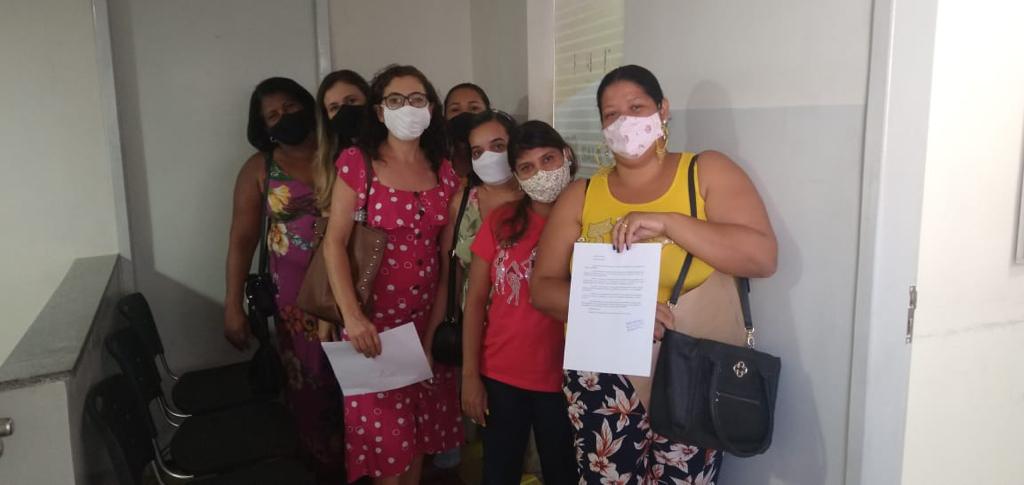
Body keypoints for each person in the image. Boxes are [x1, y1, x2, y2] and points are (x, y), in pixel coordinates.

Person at [531, 65, 778, 483]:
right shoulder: (582, 195)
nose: (624, 122)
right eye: (611, 115)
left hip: (691, 369)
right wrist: (626, 312)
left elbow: (762, 257)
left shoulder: (704, 172)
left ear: (662, 110)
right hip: (604, 377)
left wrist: (668, 222)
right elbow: (542, 289)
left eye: (636, 107)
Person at [322, 64, 464, 484]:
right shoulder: (357, 163)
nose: (408, 108)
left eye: (417, 99)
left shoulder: (444, 171)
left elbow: (447, 260)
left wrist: (433, 332)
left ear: (431, 108)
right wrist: (352, 316)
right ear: (380, 112)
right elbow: (333, 244)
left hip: (425, 325)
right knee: (388, 447)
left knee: (416, 438)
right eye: (396, 100)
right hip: (372, 325)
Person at [224, 77, 346, 482]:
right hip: (294, 303)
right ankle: (320, 470)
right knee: (309, 387)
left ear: (307, 105)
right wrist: (232, 305)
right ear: (263, 126)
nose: (284, 117)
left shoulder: (343, 154)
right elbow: (242, 240)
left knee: (356, 381)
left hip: (349, 292)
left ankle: (363, 466)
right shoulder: (259, 168)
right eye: (272, 115)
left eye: (290, 107)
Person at [462, 120, 579, 484]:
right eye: (527, 167)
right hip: (501, 375)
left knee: (563, 474)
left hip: (564, 379)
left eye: (548, 159)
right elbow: (475, 300)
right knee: (499, 473)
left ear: (567, 156)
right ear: (517, 175)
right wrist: (470, 376)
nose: (540, 173)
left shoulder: (588, 221)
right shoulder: (501, 221)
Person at [444, 83, 492, 177]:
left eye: (474, 108)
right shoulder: (434, 161)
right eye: (455, 109)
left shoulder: (502, 157)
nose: (464, 114)